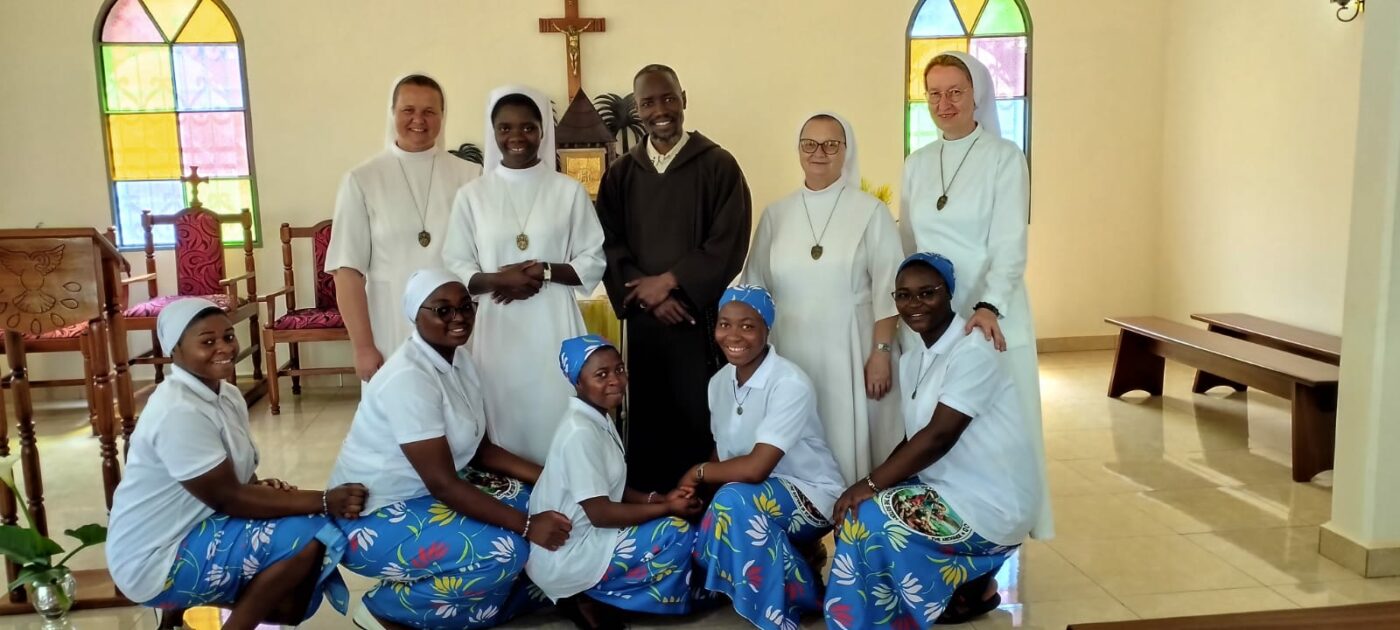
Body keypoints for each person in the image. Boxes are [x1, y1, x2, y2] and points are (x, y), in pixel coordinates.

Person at [327, 269, 571, 629]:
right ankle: (386, 609)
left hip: (427, 493)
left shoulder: (460, 361)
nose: (458, 318)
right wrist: (528, 526)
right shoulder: (408, 377)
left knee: (542, 501)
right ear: (416, 315)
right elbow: (443, 484)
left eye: (465, 307)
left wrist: (554, 478)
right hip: (373, 515)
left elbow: (483, 451)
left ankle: (497, 597)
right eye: (443, 310)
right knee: (506, 551)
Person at [106, 298, 366, 630]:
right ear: (175, 350)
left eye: (228, 337)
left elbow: (232, 482)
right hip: (152, 557)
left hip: (191, 527)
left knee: (296, 578)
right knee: (309, 536)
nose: (224, 348)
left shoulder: (225, 395)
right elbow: (229, 498)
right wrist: (327, 500)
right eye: (207, 342)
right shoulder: (178, 411)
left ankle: (185, 616)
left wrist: (259, 487)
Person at [824, 254, 1041, 628]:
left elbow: (939, 436)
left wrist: (869, 484)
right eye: (904, 295)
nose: (915, 304)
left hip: (992, 502)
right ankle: (948, 591)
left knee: (870, 517)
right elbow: (913, 437)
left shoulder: (974, 348)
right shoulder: (913, 360)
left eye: (927, 293)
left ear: (949, 294)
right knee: (864, 504)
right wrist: (870, 484)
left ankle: (871, 619)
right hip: (951, 488)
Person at [898, 51, 1052, 537]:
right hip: (931, 319)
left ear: (976, 95)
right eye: (934, 93)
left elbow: (1009, 243)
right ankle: (945, 534)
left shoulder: (1004, 158)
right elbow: (909, 242)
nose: (944, 103)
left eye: (955, 92)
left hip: (988, 316)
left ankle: (997, 533)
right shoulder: (917, 164)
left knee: (997, 432)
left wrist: (989, 306)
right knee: (936, 426)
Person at [595, 63, 752, 491]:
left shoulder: (718, 165)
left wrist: (671, 283)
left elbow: (729, 240)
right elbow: (608, 244)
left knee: (698, 412)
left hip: (695, 319)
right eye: (648, 102)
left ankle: (701, 505)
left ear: (684, 99)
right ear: (638, 108)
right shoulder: (621, 174)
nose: (660, 110)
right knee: (648, 418)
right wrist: (649, 296)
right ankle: (651, 509)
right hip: (645, 326)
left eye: (668, 98)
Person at [444, 86, 605, 465]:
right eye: (506, 128)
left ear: (542, 131)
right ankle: (513, 490)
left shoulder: (568, 191)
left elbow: (593, 260)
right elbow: (455, 264)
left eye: (528, 127)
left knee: (556, 406)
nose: (517, 136)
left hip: (553, 320)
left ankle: (564, 482)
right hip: (499, 326)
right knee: (503, 408)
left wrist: (543, 271)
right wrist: (498, 281)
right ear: (494, 133)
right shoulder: (473, 195)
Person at [744, 111, 903, 484]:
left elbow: (890, 288)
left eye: (831, 144)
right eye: (809, 144)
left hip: (851, 349)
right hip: (790, 348)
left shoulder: (870, 212)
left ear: (846, 150)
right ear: (798, 150)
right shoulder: (776, 215)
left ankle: (851, 511)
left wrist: (881, 353)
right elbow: (755, 287)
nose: (819, 152)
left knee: (848, 446)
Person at [683, 286, 846, 630]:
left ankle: (781, 613)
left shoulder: (789, 382)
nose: (733, 336)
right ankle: (801, 579)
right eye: (725, 324)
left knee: (731, 502)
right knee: (710, 517)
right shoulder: (718, 382)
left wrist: (698, 473)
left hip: (810, 495)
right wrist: (698, 492)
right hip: (751, 495)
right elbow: (723, 449)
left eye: (747, 326)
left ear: (766, 329)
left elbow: (756, 469)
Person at [525, 334, 703, 630]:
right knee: (676, 533)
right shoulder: (579, 432)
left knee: (676, 527)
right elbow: (601, 514)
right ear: (578, 382)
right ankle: (592, 596)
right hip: (567, 553)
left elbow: (608, 486)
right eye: (601, 374)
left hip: (582, 537)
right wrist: (668, 508)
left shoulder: (597, 417)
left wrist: (656, 499)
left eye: (619, 369)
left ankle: (602, 593)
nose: (616, 380)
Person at [327, 73, 482, 382]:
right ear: (392, 112)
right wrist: (363, 347)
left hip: (458, 329)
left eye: (429, 111)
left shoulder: (471, 176)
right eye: (408, 110)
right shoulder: (362, 179)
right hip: (391, 331)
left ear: (442, 116)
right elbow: (347, 272)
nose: (418, 120)